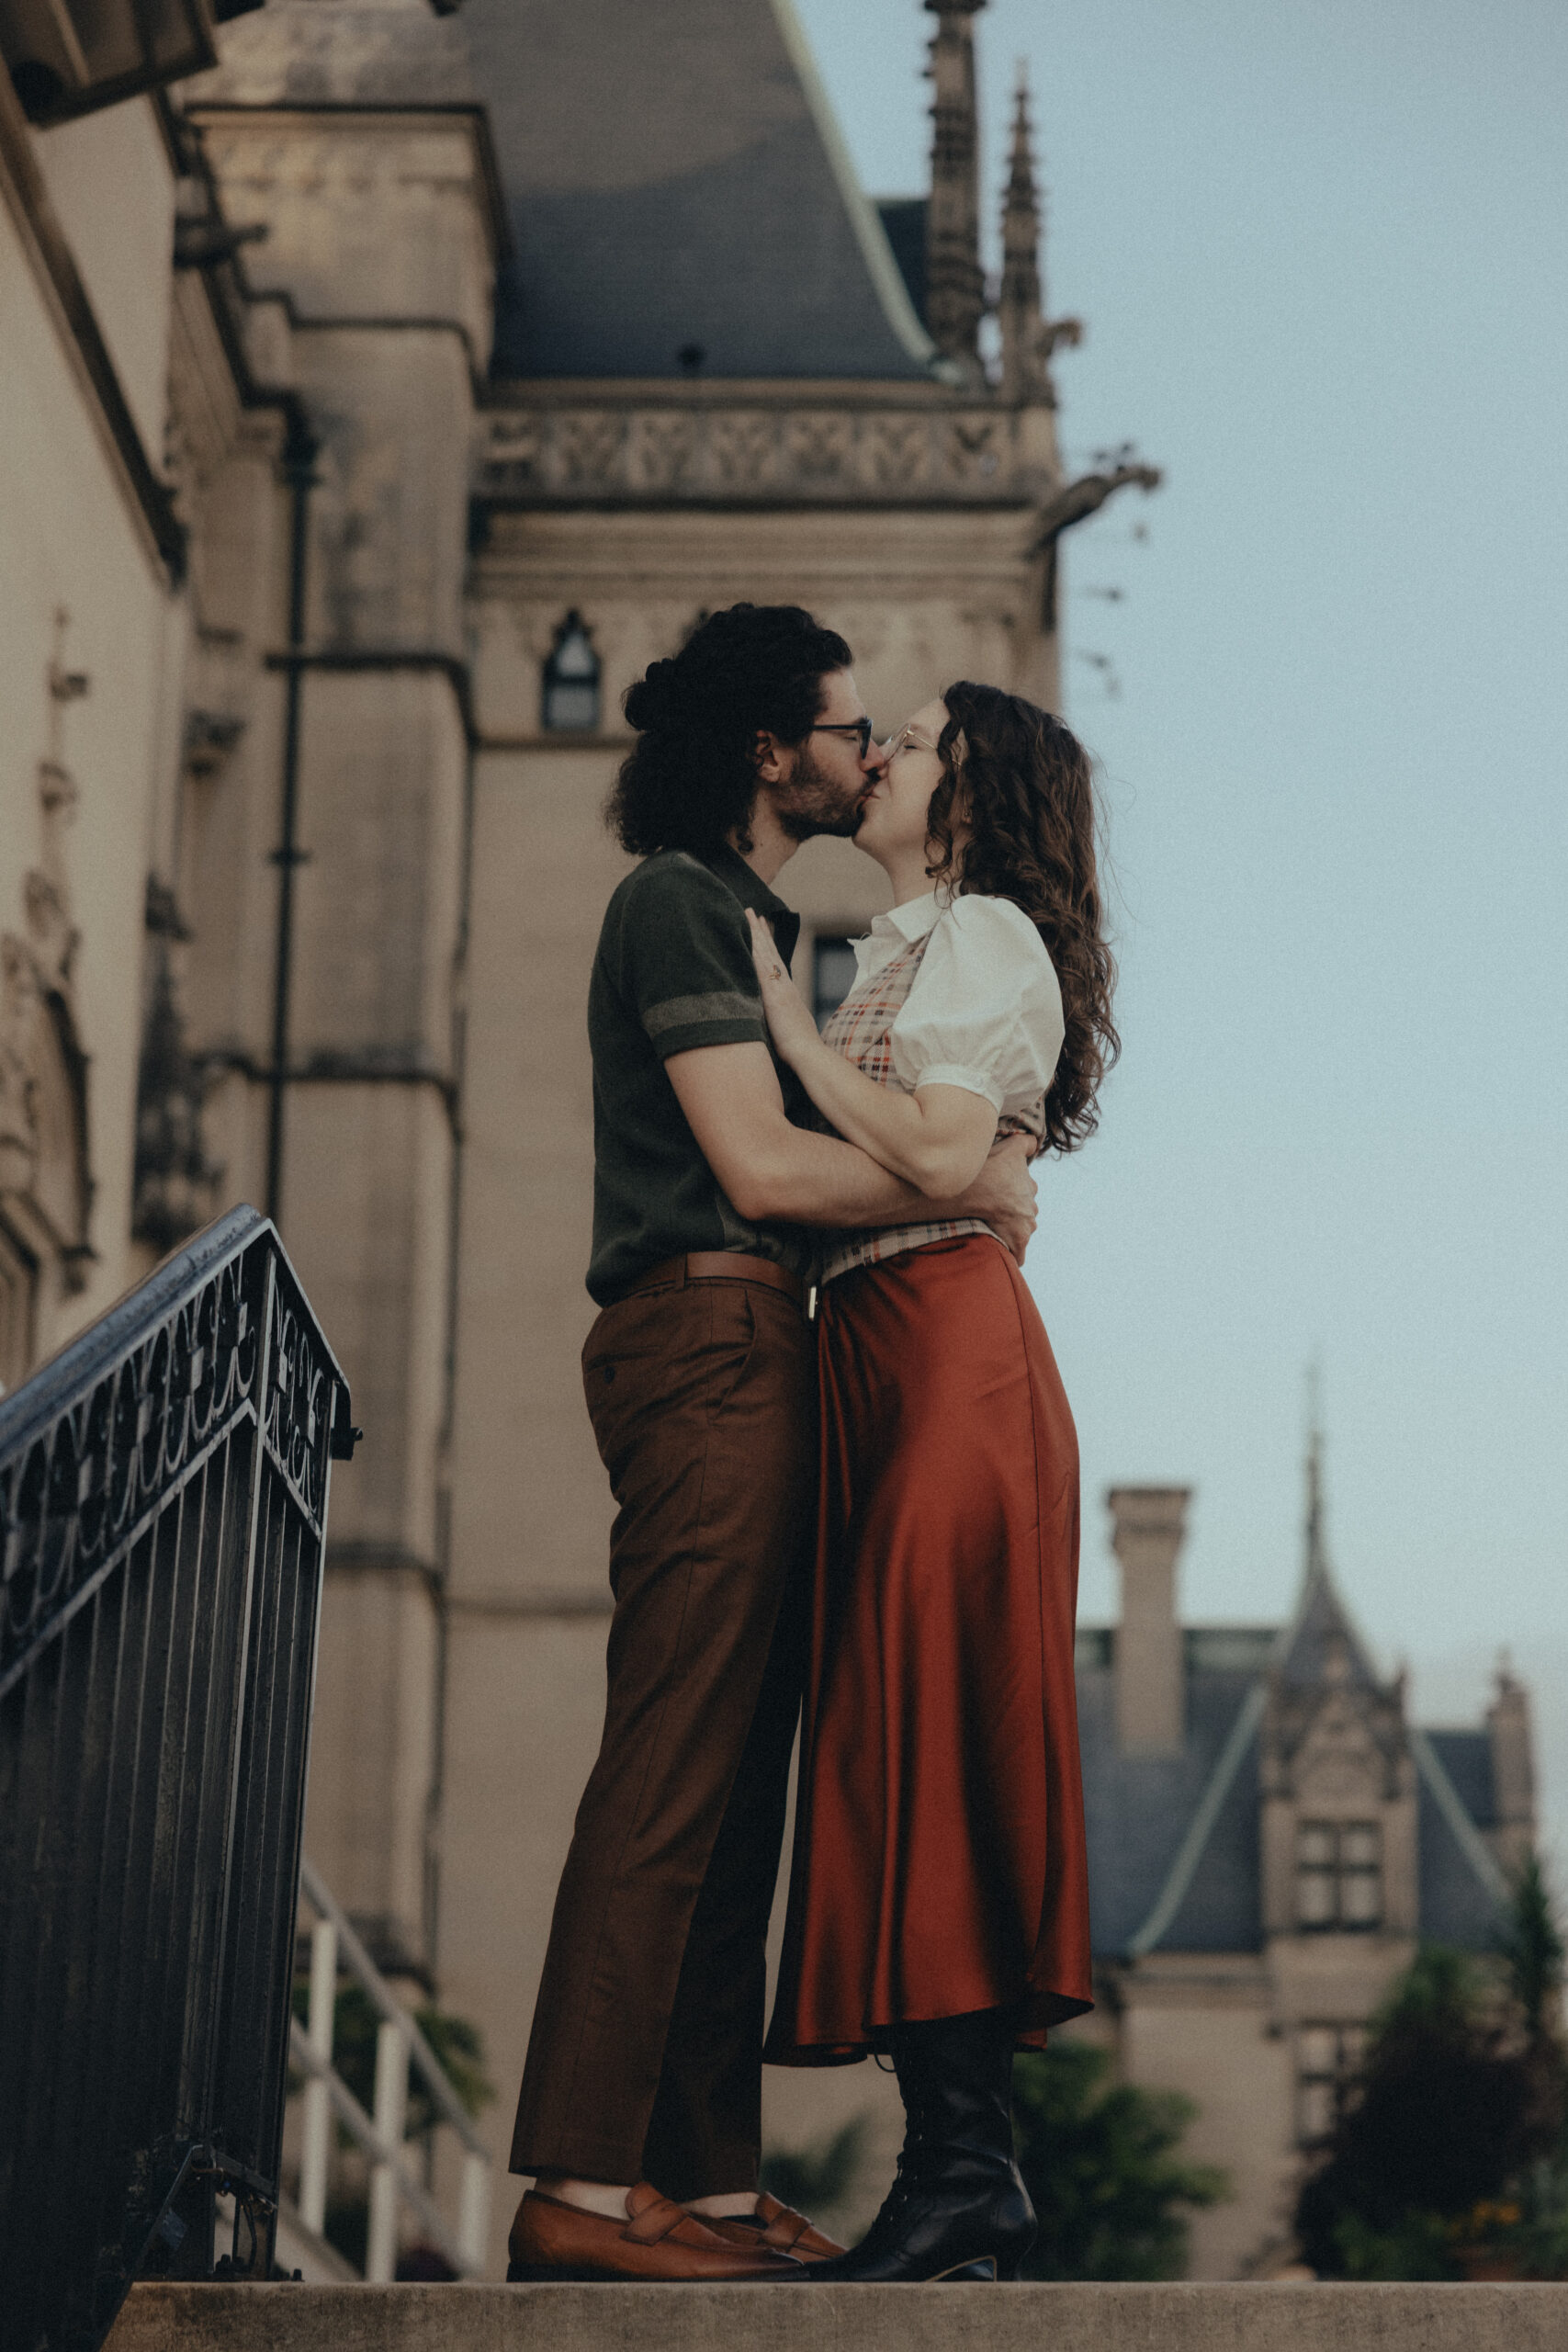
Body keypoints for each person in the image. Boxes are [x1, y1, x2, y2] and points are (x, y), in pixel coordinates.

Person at [505, 608, 1041, 2284]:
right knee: (672, 1769)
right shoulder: (676, 899)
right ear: (768, 752)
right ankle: (580, 2190)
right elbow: (763, 1171)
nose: (862, 748)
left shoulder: (754, 918)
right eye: (840, 724)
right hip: (706, 1336)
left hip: (768, 1350)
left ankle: (709, 2192)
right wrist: (978, 1183)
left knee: (737, 1798)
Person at [747, 681, 1118, 2284]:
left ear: (970, 795)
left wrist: (781, 1031)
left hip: (948, 1357)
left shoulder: (984, 938)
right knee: (905, 1752)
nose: (878, 746)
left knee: (939, 1744)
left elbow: (935, 1146)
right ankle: (960, 2179)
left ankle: (967, 2177)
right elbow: (937, 1153)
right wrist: (942, 1156)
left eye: (912, 737)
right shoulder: (915, 946)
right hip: (889, 1354)